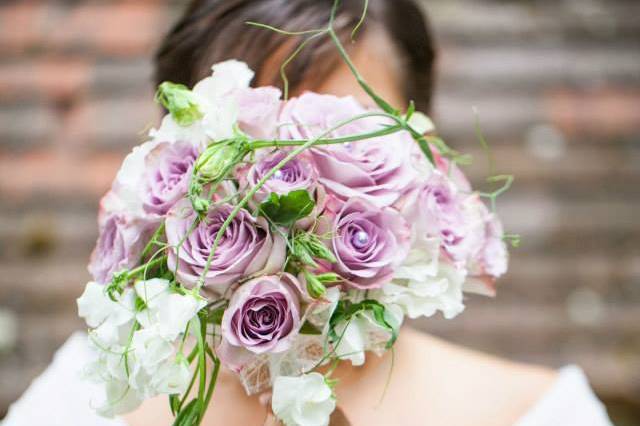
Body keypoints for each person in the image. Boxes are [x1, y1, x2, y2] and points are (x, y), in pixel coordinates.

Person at [2, 1, 613, 425]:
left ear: (424, 153)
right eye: (248, 139)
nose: (286, 193)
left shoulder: (540, 414)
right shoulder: (81, 403)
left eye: (339, 138)